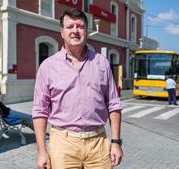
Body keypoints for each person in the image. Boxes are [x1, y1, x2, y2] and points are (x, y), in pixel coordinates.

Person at [32, 8, 123, 169]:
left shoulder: (102, 63)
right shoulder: (48, 67)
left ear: (86, 31)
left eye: (80, 26)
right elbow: (40, 111)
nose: (75, 31)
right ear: (62, 32)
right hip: (62, 144)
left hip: (98, 144)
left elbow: (114, 104)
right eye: (70, 26)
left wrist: (116, 142)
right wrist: (41, 151)